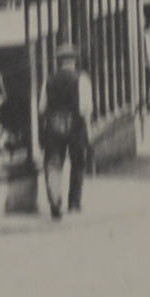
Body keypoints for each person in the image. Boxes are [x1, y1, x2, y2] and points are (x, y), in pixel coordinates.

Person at [39, 47, 91, 219]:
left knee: (53, 164)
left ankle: (55, 202)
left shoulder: (49, 80)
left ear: (59, 62)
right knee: (78, 163)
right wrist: (88, 131)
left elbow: (42, 107)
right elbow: (85, 108)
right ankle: (74, 202)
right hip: (76, 125)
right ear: (74, 61)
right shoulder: (81, 79)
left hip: (53, 125)